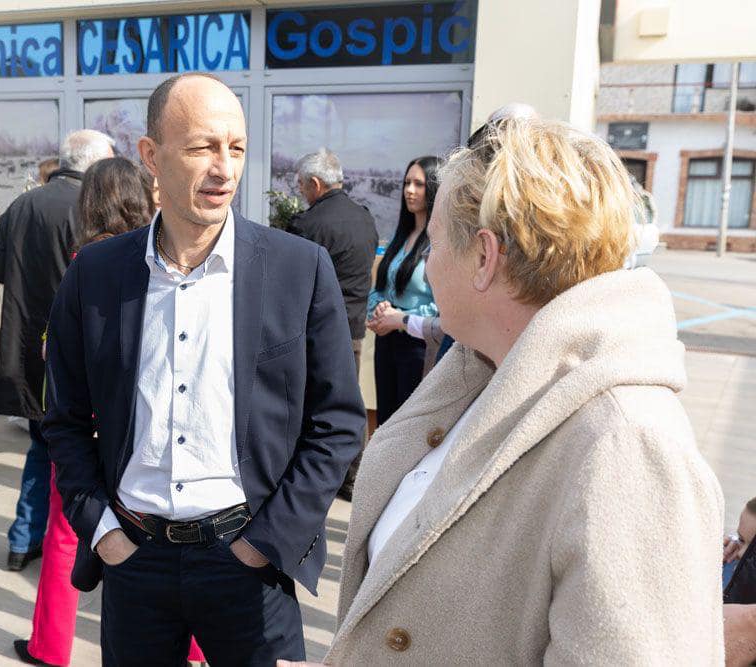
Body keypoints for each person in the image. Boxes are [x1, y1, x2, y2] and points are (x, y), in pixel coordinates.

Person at [323, 117, 724, 664]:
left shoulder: (627, 445)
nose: (429, 263)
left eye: (435, 242)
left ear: (484, 258)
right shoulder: (480, 374)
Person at [43, 72, 364, 665]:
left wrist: (267, 543)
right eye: (202, 148)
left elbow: (338, 423)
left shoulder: (298, 269)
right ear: (151, 156)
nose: (224, 169)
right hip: (133, 559)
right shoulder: (96, 274)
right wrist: (103, 531)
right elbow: (63, 419)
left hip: (248, 563)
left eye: (235, 148)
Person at [14, 156, 155, 667]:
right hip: (147, 424)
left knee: (65, 532)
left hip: (88, 422)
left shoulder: (88, 261)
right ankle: (194, 643)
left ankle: (50, 646)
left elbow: (62, 350)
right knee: (167, 535)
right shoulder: (162, 257)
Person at [0, 129, 115, 572]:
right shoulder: (92, 209)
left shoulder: (23, 203)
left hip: (26, 346)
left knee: (41, 448)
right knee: (71, 455)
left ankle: (22, 541)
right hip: (70, 353)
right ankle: (70, 548)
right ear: (93, 164)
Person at [287, 147, 377, 501]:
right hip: (353, 329)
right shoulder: (365, 218)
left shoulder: (308, 225)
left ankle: (315, 475)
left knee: (310, 405)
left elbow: (291, 283)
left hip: (314, 330)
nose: (300, 192)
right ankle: (351, 477)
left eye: (301, 185)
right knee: (347, 403)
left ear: (315, 183)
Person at [366, 156, 444, 426]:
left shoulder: (439, 242)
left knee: (407, 425)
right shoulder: (400, 236)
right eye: (407, 183)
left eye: (418, 184)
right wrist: (379, 311)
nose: (409, 190)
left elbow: (441, 305)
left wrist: (399, 318)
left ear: (433, 188)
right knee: (385, 422)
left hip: (419, 347)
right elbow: (380, 287)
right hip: (387, 342)